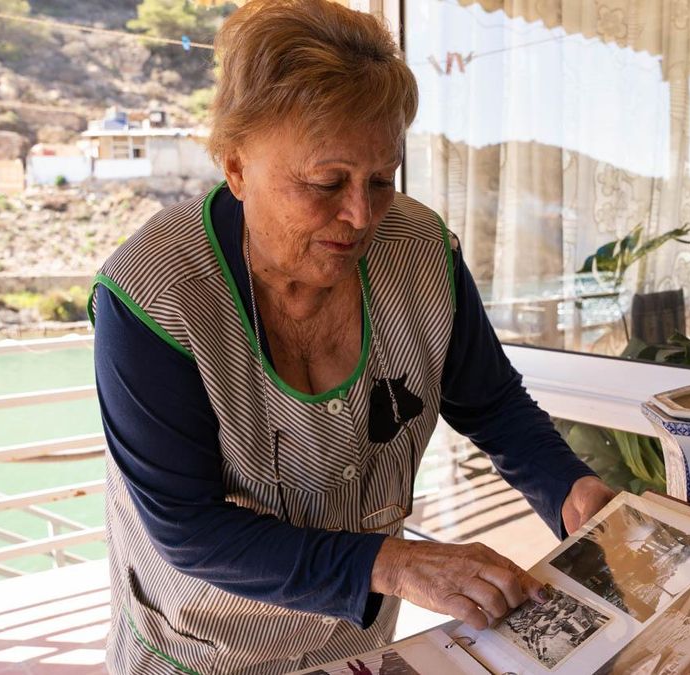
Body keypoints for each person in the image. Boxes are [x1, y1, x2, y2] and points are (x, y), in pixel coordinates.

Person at [90, 1, 616, 672]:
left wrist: (566, 485)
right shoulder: (154, 294)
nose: (360, 215)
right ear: (236, 167)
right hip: (200, 647)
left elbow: (494, 407)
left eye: (382, 178)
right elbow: (190, 529)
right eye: (325, 182)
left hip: (358, 641)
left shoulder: (422, 250)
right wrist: (395, 564)